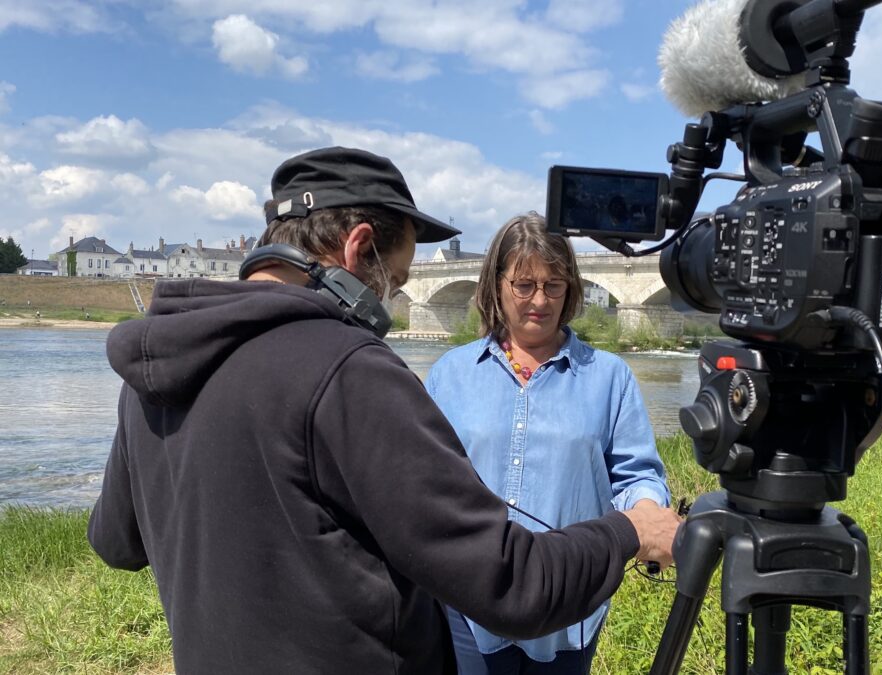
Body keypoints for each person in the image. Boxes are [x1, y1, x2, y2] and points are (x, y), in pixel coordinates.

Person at [86, 146, 680, 675]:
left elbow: (118, 543)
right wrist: (631, 530)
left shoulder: (159, 360)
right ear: (358, 246)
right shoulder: (350, 370)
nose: (391, 306)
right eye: (393, 282)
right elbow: (512, 583)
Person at [425, 212, 672, 674]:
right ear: (497, 285)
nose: (539, 300)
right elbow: (425, 482)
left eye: (553, 285)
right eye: (524, 285)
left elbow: (637, 474)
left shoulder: (609, 377)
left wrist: (645, 511)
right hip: (467, 601)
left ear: (570, 289)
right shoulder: (449, 375)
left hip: (570, 602)